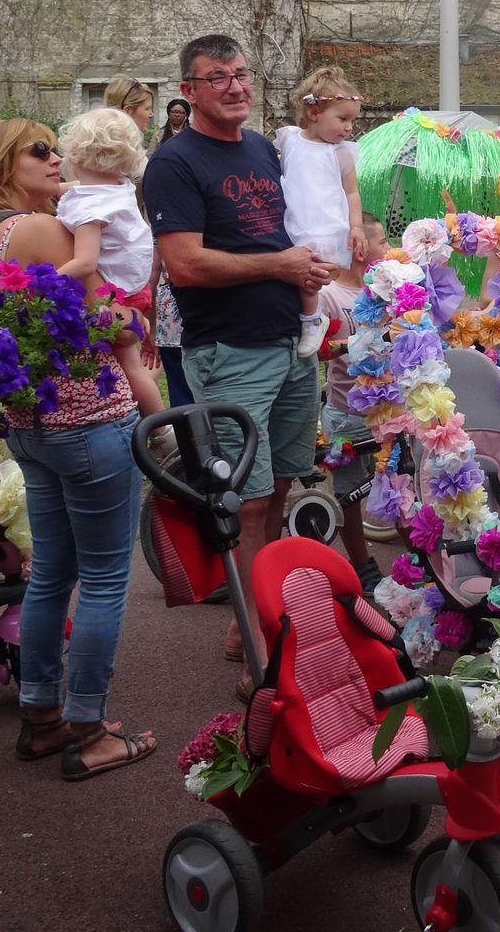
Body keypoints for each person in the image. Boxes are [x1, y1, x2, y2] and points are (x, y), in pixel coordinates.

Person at [0, 117, 153, 780]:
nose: (56, 159)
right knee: (102, 580)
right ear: (0, 164)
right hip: (91, 421)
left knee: (50, 576)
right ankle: (90, 728)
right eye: (39, 150)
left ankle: (42, 717)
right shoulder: (40, 231)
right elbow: (108, 323)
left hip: (32, 426)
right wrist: (139, 319)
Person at [143, 35, 334, 667]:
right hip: (229, 350)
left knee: (278, 487)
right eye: (217, 77)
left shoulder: (261, 148)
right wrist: (279, 264)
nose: (235, 86)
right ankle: (260, 643)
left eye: (242, 74)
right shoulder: (175, 162)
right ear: (190, 91)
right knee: (245, 501)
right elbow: (184, 264)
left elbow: (296, 225)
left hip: (291, 342)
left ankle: (256, 620)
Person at [55, 107, 162, 417]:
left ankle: (160, 431)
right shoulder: (117, 187)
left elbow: (86, 263)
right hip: (136, 288)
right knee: (127, 361)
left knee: (130, 367)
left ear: (73, 152)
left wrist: (46, 282)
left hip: (117, 293)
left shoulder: (90, 208)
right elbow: (78, 189)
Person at [272, 66, 365, 361]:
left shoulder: (340, 153)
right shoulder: (289, 140)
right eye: (342, 119)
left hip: (326, 224)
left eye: (352, 120)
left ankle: (312, 319)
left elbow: (351, 193)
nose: (349, 127)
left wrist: (357, 227)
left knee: (311, 275)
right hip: (295, 219)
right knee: (296, 271)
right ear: (313, 112)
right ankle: (309, 316)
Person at [315, 215, 384, 591]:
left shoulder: (386, 288)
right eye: (383, 242)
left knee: (399, 485)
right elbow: (316, 351)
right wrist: (354, 345)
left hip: (389, 413)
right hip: (346, 414)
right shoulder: (328, 295)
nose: (388, 249)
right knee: (349, 495)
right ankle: (362, 564)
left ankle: (417, 561)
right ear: (360, 249)